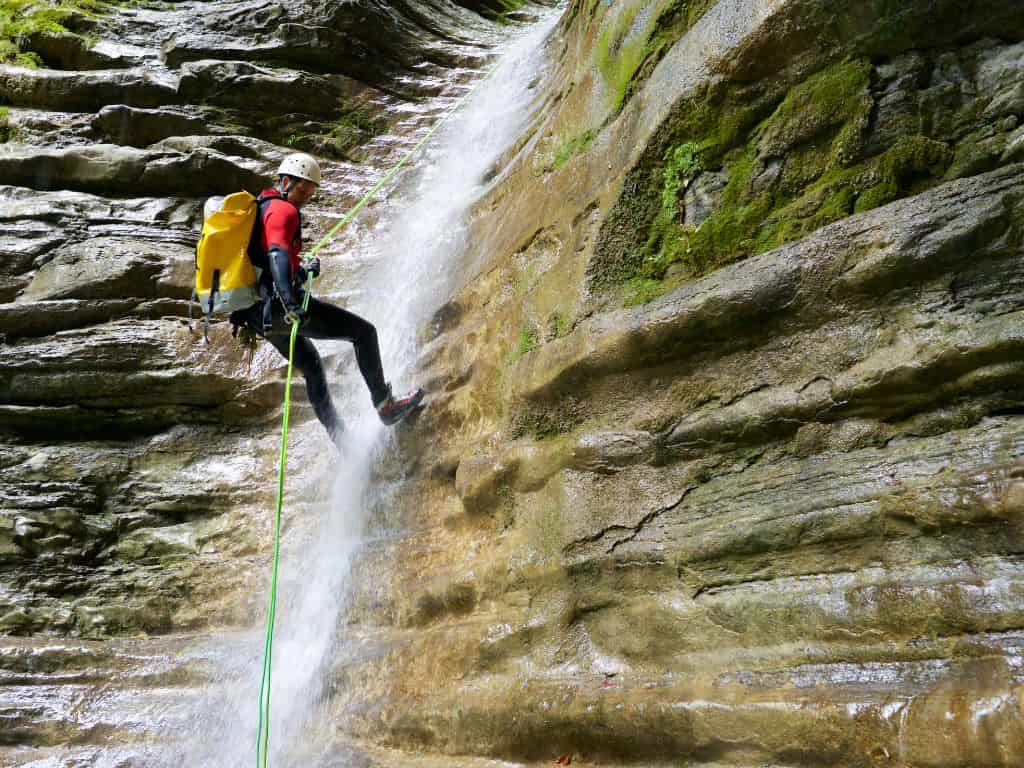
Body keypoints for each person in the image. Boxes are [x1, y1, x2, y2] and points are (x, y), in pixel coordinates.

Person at [230, 153, 423, 441]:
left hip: (257, 314)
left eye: (310, 192)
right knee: (363, 333)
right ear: (285, 181)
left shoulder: (262, 211)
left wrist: (302, 270)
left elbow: (268, 262)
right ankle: (385, 405)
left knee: (311, 366)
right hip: (280, 308)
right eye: (301, 189)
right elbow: (276, 253)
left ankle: (342, 441)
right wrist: (290, 301)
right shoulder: (283, 211)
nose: (305, 197)